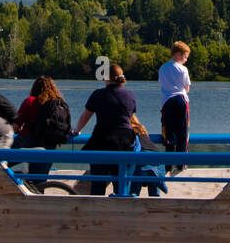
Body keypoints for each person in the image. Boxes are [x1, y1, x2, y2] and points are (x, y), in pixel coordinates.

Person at [72, 63, 138, 195]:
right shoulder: (130, 95)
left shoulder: (98, 94)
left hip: (102, 141)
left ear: (106, 78)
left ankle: (96, 211)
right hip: (124, 142)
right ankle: (120, 210)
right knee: (120, 183)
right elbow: (129, 118)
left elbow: (85, 116)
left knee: (98, 181)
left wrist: (77, 130)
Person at [12, 76, 72, 188]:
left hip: (28, 143)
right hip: (49, 147)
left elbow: (15, 126)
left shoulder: (30, 101)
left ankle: (15, 175)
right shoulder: (58, 104)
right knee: (39, 184)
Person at [158, 41, 192, 173]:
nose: (186, 60)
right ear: (178, 54)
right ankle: (180, 163)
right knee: (182, 132)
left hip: (167, 102)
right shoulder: (183, 69)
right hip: (181, 100)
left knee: (169, 133)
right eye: (185, 57)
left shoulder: (162, 68)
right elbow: (187, 88)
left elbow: (163, 85)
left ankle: (168, 164)